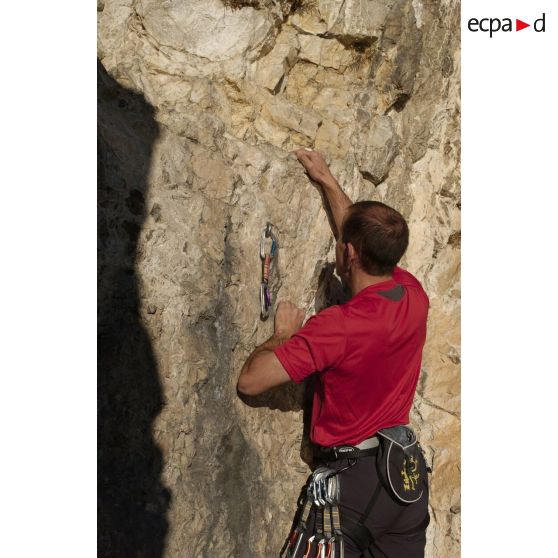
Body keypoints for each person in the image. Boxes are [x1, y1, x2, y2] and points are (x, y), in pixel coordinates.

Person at [237, 149, 430, 557]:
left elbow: (251, 382)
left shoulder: (338, 327)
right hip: (404, 480)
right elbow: (358, 233)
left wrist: (284, 337)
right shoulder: (412, 294)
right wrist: (326, 180)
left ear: (350, 253)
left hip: (352, 490)